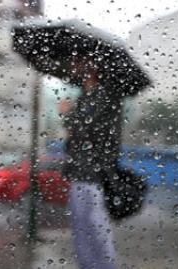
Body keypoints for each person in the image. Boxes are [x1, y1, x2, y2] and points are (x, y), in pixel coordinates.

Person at [59, 56, 122, 269]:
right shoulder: (85, 96)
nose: (74, 66)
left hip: (94, 174)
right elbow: (75, 138)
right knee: (81, 228)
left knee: (96, 228)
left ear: (93, 65)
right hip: (80, 171)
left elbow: (92, 131)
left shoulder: (105, 96)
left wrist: (68, 116)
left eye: (79, 61)